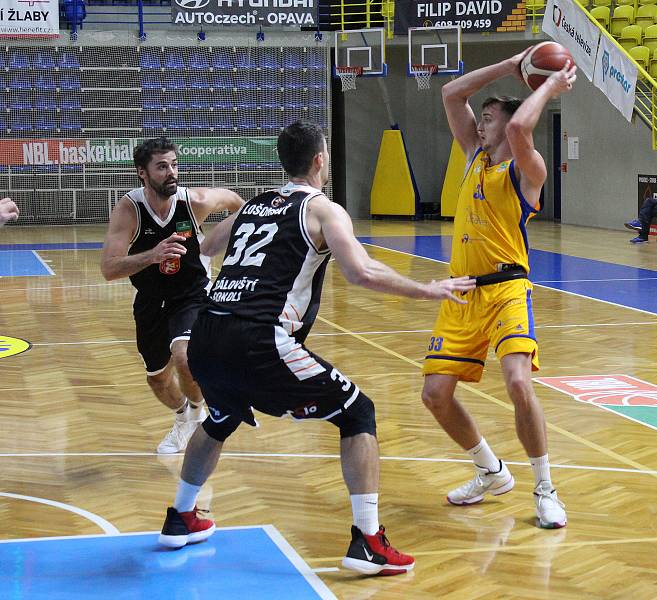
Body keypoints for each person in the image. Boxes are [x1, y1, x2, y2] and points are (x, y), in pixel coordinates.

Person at [157, 121, 475, 576]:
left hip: (209, 331)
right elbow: (360, 273)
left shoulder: (254, 207)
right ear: (320, 160)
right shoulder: (323, 210)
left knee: (220, 418)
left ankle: (181, 516)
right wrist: (428, 290)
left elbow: (204, 247)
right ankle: (368, 541)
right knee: (358, 412)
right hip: (259, 336)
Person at [421, 54, 576, 529]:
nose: (480, 125)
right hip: (462, 292)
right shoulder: (473, 159)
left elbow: (519, 133)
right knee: (435, 395)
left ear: (509, 126)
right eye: (481, 119)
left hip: (508, 287)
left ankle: (545, 488)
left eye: (489, 119)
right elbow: (452, 93)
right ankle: (491, 470)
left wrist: (547, 85)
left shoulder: (526, 172)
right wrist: (511, 63)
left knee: (516, 381)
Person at [100, 138, 243, 453]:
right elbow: (109, 269)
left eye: (174, 165)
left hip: (191, 294)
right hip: (150, 301)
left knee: (184, 356)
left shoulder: (195, 202)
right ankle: (184, 418)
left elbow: (236, 203)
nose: (171, 172)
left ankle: (197, 412)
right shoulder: (129, 210)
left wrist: (234, 247)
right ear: (142, 172)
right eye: (162, 167)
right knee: (157, 380)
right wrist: (152, 255)